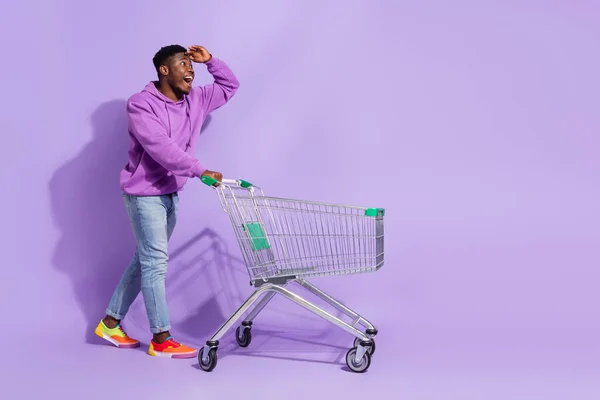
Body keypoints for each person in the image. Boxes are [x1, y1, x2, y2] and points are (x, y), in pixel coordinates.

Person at [93, 44, 239, 358]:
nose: (191, 70)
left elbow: (229, 86)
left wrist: (211, 61)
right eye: (184, 64)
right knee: (155, 264)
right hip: (144, 195)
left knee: (144, 261)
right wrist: (200, 170)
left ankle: (109, 322)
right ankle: (161, 339)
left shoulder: (196, 99)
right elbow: (161, 148)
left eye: (192, 65)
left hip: (170, 193)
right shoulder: (141, 104)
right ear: (164, 70)